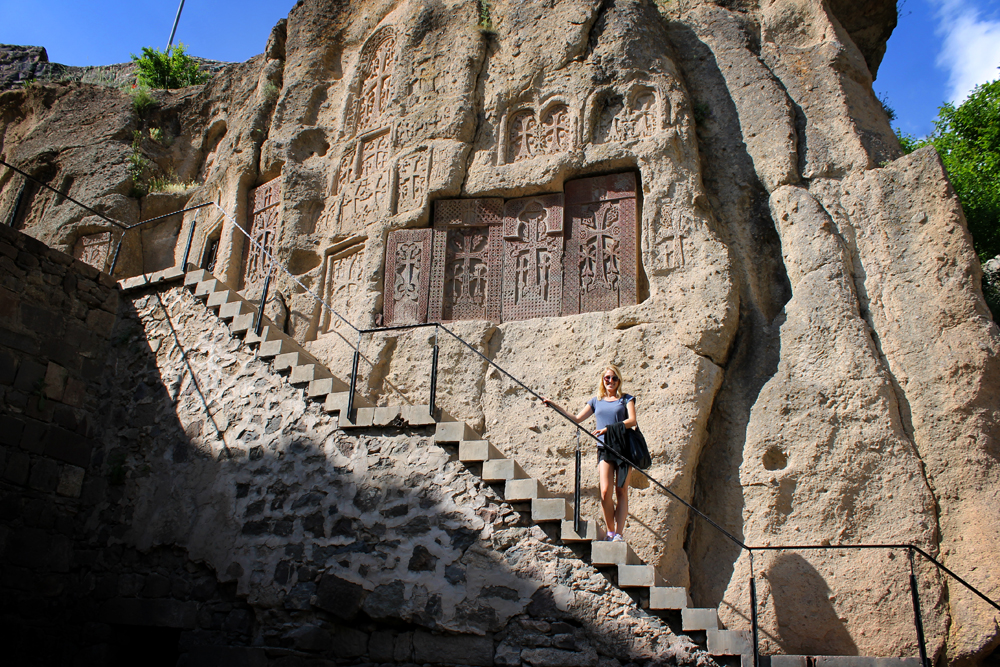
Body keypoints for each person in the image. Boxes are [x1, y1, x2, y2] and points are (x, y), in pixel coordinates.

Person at [542, 364, 637, 542]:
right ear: (603, 380)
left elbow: (632, 421)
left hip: (624, 449)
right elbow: (577, 418)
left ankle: (619, 534)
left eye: (614, 378)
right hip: (604, 449)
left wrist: (608, 429)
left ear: (619, 380)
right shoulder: (596, 401)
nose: (611, 381)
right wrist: (555, 406)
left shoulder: (626, 399)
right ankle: (610, 532)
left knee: (621, 491)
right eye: (607, 377)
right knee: (605, 491)